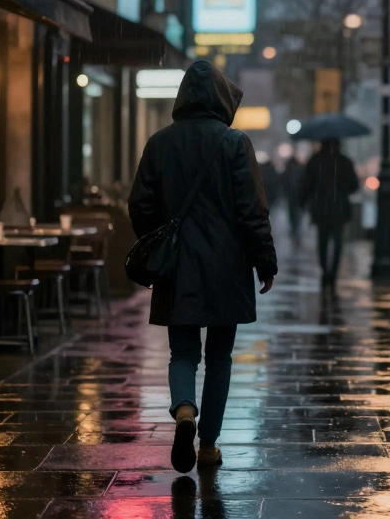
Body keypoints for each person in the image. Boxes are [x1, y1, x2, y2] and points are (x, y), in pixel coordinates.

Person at [128, 60, 277, 473]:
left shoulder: (160, 143)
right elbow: (252, 211)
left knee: (183, 353)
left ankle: (183, 412)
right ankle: (208, 444)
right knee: (220, 357)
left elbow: (139, 205)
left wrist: (162, 238)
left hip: (178, 268)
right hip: (227, 266)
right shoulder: (234, 143)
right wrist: (265, 261)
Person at [298, 139, 359, 287]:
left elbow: (306, 184)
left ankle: (325, 270)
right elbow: (354, 185)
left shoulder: (315, 161)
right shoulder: (344, 161)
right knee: (337, 242)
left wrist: (303, 201)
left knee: (322, 242)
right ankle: (333, 273)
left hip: (321, 208)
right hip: (338, 209)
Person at [280, 153, 305, 248]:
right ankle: (296, 229)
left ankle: (294, 229)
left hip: (291, 196)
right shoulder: (300, 168)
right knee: (298, 213)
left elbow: (283, 181)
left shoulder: (288, 169)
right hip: (298, 195)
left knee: (292, 213)